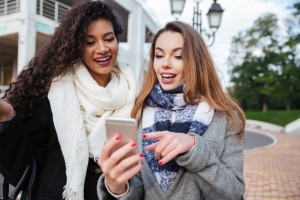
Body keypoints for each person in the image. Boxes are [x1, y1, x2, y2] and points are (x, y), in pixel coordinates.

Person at [0, 1, 139, 199]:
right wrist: (6, 116)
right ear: (77, 46)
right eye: (90, 42)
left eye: (108, 39)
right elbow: (24, 170)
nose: (102, 49)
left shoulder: (136, 95)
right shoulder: (54, 93)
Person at [97, 21, 246, 200]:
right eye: (159, 55)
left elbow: (234, 193)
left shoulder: (226, 117)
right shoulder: (137, 111)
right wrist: (117, 187)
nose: (165, 64)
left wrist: (194, 148)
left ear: (197, 62)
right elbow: (136, 188)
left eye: (178, 56)